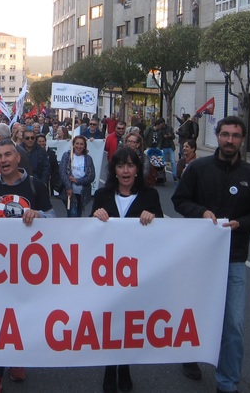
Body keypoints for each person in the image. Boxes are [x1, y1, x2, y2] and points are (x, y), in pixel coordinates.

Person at [172, 116, 250, 393]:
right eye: (225, 134)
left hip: (234, 259)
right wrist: (201, 213)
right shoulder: (198, 169)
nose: (230, 140)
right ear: (216, 135)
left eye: (236, 135)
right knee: (195, 313)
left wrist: (242, 224)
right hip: (200, 257)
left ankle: (227, 383)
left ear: (242, 139)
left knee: (234, 324)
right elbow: (180, 200)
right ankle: (190, 356)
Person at [0, 140, 55, 392]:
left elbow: (53, 218)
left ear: (18, 158)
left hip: (26, 267)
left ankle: (17, 359)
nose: (3, 160)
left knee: (19, 316)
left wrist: (38, 215)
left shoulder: (36, 186)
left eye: (8, 154)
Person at [91, 146, 163, 393]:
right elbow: (87, 234)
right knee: (111, 322)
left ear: (137, 169)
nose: (125, 170)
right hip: (107, 271)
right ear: (114, 170)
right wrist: (95, 216)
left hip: (136, 271)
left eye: (130, 165)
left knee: (129, 322)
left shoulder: (150, 196)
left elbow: (164, 231)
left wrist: (152, 217)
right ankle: (110, 369)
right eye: (121, 166)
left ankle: (125, 367)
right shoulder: (102, 195)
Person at [59, 135, 96, 217]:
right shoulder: (67, 155)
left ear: (84, 146)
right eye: (77, 143)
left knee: (78, 215)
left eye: (81, 144)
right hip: (69, 193)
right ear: (73, 144)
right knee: (73, 214)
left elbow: (91, 176)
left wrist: (77, 181)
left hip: (83, 193)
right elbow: (62, 172)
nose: (79, 146)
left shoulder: (88, 158)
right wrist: (68, 187)